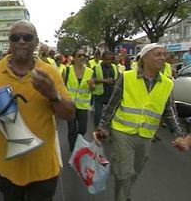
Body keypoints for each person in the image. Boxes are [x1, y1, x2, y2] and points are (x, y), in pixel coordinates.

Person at [0, 20, 75, 201]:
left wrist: (53, 94)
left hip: (43, 168)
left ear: (36, 42)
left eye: (27, 37)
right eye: (15, 37)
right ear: (10, 42)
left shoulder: (49, 73)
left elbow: (69, 114)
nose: (21, 41)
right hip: (6, 166)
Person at [94, 43, 186, 201]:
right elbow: (112, 104)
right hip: (122, 132)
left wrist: (179, 134)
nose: (163, 58)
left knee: (135, 170)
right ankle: (122, 198)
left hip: (146, 135)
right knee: (124, 171)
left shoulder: (167, 83)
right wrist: (103, 126)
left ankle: (125, 193)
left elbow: (170, 112)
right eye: (158, 54)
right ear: (144, 58)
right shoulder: (127, 76)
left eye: (164, 54)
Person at [64, 49, 94, 151]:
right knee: (71, 129)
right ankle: (73, 150)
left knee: (83, 129)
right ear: (74, 58)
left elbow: (92, 90)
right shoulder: (67, 70)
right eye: (79, 55)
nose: (82, 57)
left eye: (84, 56)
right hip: (70, 105)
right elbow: (62, 87)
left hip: (83, 106)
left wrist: (92, 86)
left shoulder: (90, 72)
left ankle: (77, 142)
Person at [93, 51, 119, 127]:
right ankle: (97, 128)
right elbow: (92, 79)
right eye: (107, 59)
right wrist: (105, 81)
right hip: (99, 95)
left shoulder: (114, 67)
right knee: (98, 113)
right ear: (103, 59)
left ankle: (107, 128)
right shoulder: (97, 67)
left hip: (111, 94)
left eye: (110, 60)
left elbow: (118, 78)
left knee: (110, 113)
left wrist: (114, 81)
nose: (109, 61)